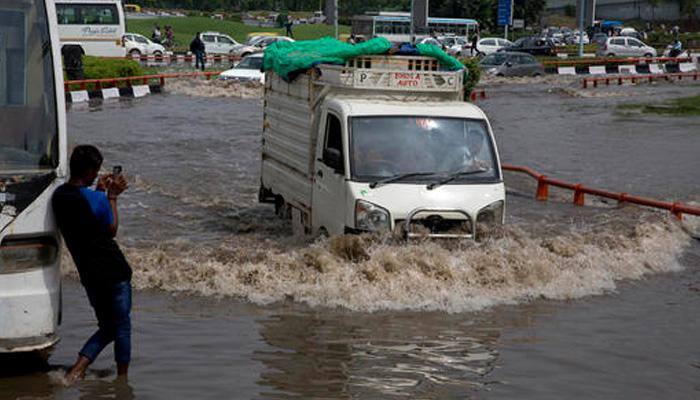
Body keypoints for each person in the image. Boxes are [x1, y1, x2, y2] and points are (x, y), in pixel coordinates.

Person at [52, 145, 131, 383]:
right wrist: (113, 197)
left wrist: (99, 192)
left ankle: (78, 369)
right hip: (114, 272)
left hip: (89, 275)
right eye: (95, 171)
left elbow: (84, 216)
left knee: (108, 326)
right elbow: (111, 229)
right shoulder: (97, 199)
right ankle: (122, 380)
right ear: (88, 170)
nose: (98, 174)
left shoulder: (59, 196)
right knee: (121, 327)